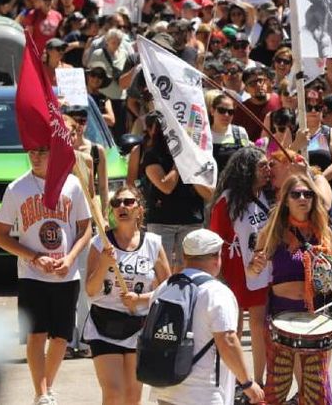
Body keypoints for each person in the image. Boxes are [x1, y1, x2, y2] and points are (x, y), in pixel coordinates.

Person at [0, 146, 92, 405]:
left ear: (54, 154)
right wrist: (34, 257)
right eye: (31, 152)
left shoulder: (72, 185)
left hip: (66, 275)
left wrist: (70, 258)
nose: (35, 157)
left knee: (61, 337)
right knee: (36, 334)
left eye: (42, 152)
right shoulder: (17, 189)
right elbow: (0, 236)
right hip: (32, 275)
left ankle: (47, 387)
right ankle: (42, 393)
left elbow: (85, 228)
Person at [248, 173, 332, 405]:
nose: (303, 198)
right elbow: (251, 273)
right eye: (296, 194)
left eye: (308, 194)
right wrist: (255, 266)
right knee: (276, 387)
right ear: (285, 199)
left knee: (316, 388)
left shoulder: (323, 232)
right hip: (280, 315)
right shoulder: (272, 231)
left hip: (315, 314)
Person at [153, 229, 265, 405]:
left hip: (166, 388)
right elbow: (227, 340)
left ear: (185, 255)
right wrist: (247, 383)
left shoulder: (165, 287)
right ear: (216, 257)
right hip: (203, 394)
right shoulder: (216, 292)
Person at [83, 187, 171, 405]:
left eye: (128, 202)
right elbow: (91, 290)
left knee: (132, 398)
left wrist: (141, 299)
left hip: (138, 327)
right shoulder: (99, 243)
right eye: (116, 203)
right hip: (103, 323)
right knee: (113, 393)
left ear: (139, 209)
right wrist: (104, 263)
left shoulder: (152, 243)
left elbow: (169, 289)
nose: (122, 206)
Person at [209, 147, 274, 385]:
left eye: (268, 165)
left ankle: (258, 381)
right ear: (247, 169)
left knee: (259, 326)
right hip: (235, 271)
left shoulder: (267, 194)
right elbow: (216, 239)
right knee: (232, 328)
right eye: (262, 165)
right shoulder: (226, 200)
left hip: (263, 270)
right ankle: (233, 380)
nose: (268, 170)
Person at [140, 113, 214, 271]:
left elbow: (209, 194)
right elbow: (166, 186)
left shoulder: (197, 156)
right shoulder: (152, 156)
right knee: (160, 267)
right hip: (161, 221)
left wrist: (190, 164)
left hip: (191, 220)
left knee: (190, 267)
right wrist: (179, 160)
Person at [207, 90, 252, 175]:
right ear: (212, 111)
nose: (226, 115)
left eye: (230, 112)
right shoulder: (204, 134)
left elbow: (246, 161)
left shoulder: (240, 132)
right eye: (222, 110)